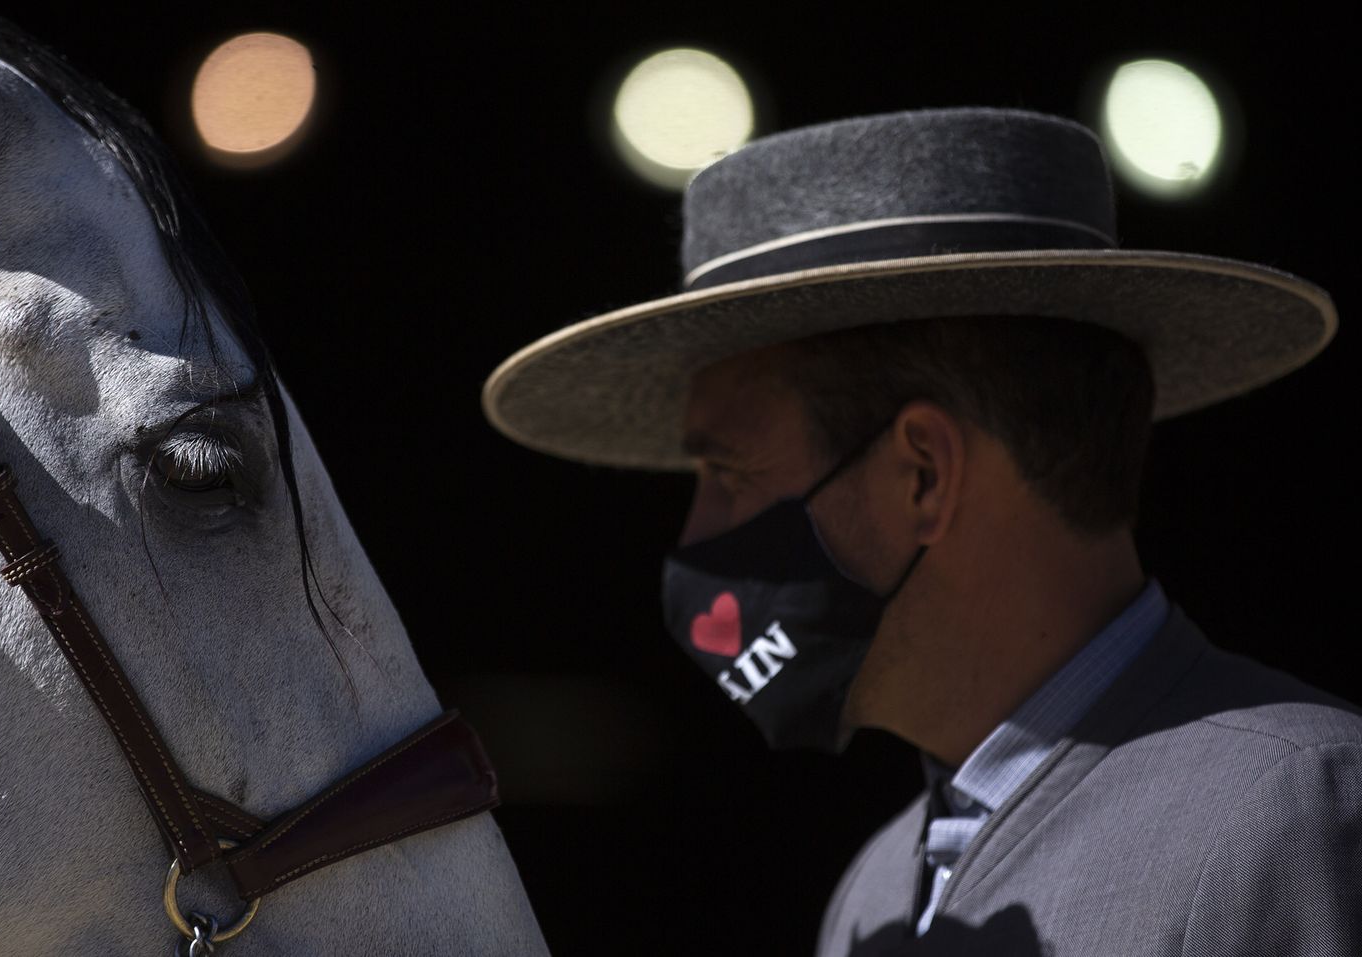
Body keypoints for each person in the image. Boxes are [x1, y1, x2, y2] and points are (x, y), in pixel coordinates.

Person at [482, 108, 1360, 955]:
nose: (695, 532)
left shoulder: (1295, 818)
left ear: (922, 476)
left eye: (729, 473)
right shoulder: (873, 892)